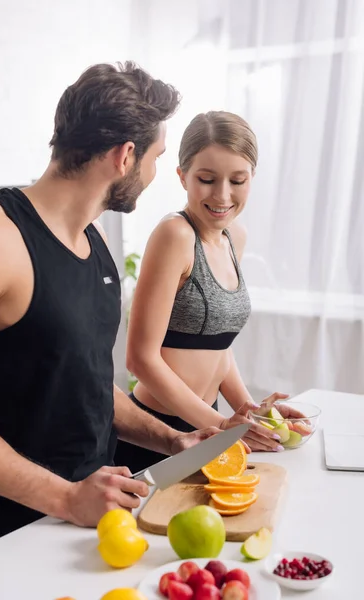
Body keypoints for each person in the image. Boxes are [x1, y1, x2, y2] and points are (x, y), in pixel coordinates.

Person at [0, 64, 256, 555]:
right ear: (125, 157)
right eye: (157, 157)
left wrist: (170, 440)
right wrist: (65, 496)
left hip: (88, 522)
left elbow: (89, 381)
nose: (154, 173)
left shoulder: (95, 242)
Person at [115, 111, 303, 473]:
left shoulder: (235, 237)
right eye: (206, 179)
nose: (222, 195)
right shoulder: (175, 235)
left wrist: (250, 413)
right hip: (159, 431)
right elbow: (140, 359)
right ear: (182, 176)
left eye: (237, 180)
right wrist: (222, 427)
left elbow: (218, 347)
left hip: (208, 422)